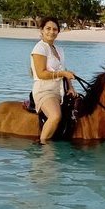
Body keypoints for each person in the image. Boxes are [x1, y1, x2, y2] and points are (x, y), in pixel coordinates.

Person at [30, 16, 76, 144]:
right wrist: (63, 73)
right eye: (48, 28)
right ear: (42, 30)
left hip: (60, 90)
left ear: (58, 32)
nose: (51, 32)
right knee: (55, 116)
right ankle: (42, 145)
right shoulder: (40, 48)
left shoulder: (59, 50)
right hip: (45, 91)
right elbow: (41, 74)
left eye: (55, 29)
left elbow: (64, 70)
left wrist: (71, 87)